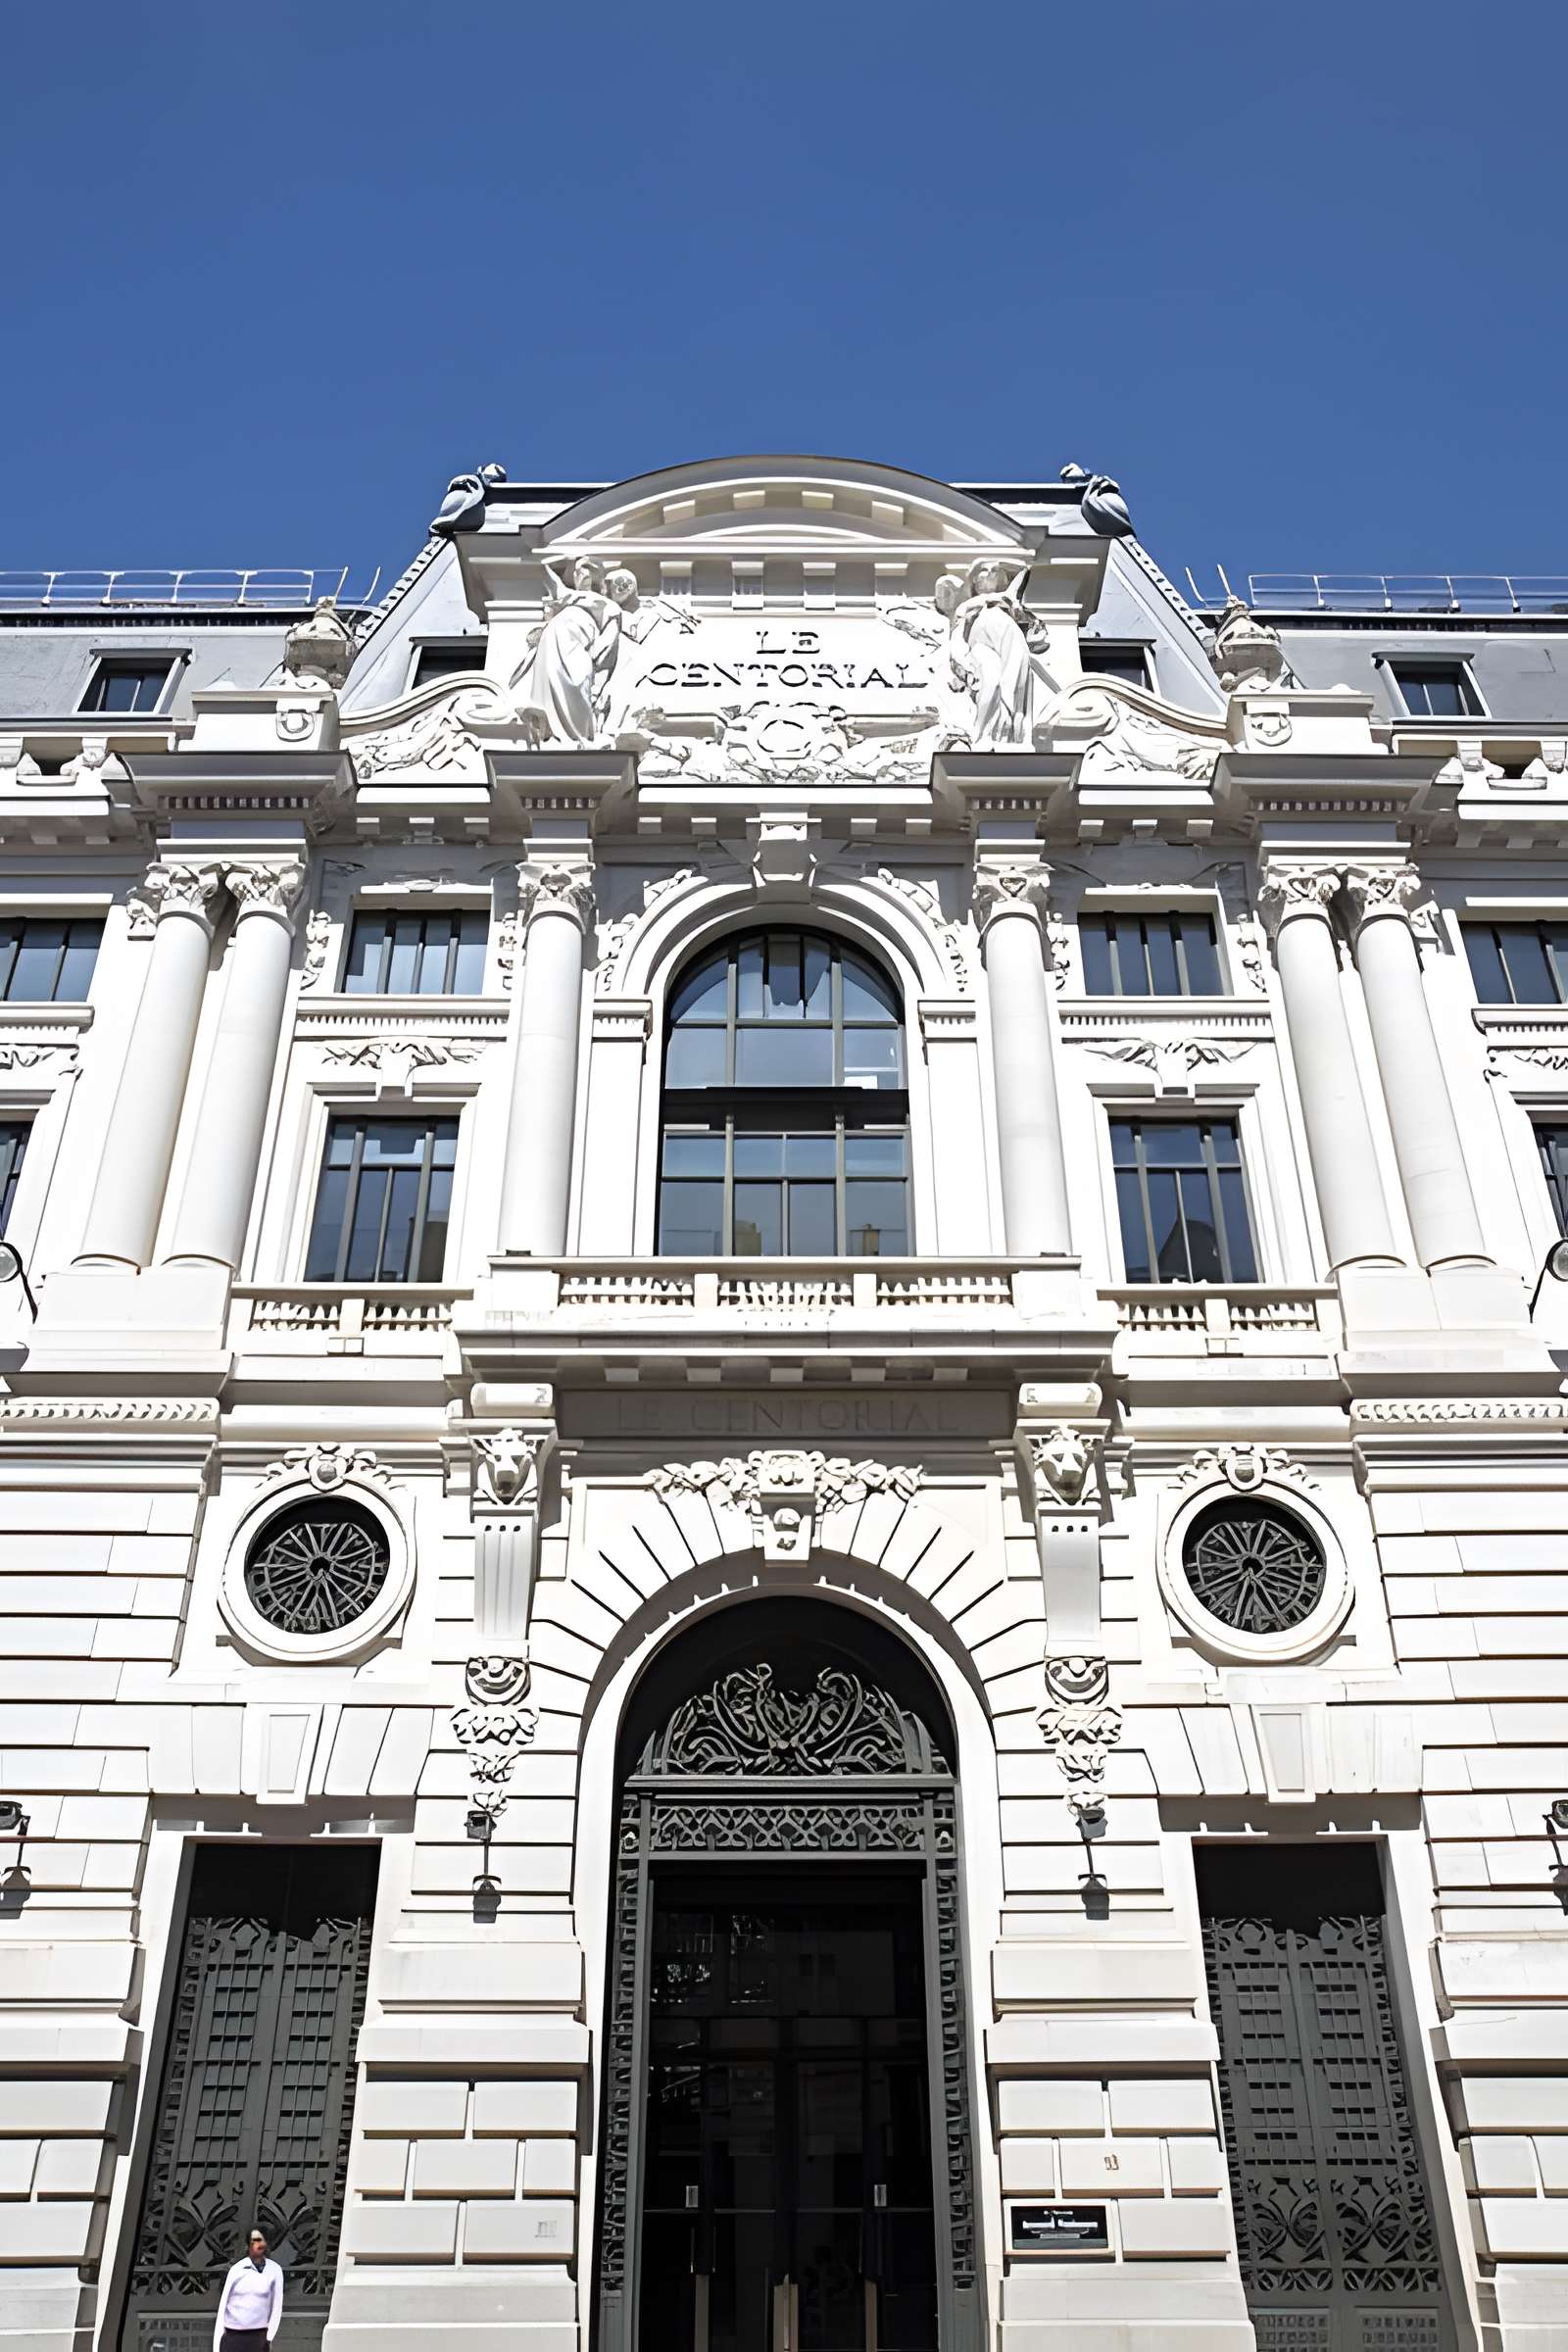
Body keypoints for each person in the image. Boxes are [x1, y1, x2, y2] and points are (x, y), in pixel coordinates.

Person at [213, 2226, 283, 2352]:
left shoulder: (274, 2270)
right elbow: (224, 2307)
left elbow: (276, 2307)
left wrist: (267, 2337)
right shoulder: (237, 2269)